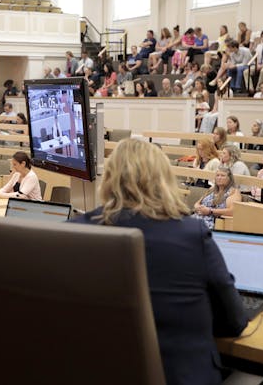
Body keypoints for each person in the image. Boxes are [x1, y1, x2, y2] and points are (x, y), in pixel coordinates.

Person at [70, 139, 247, 384]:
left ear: (109, 178)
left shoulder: (74, 232)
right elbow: (234, 321)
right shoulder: (191, 234)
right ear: (163, 180)